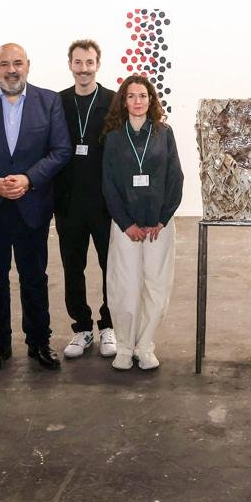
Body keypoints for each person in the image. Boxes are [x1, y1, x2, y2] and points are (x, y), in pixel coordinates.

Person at [0, 43, 72, 376]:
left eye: (17, 63)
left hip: (31, 204)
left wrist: (28, 178)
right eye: (5, 64)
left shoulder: (48, 101)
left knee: (34, 278)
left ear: (28, 65)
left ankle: (39, 342)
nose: (11, 70)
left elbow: (61, 150)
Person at [100, 75, 184, 370]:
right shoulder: (114, 137)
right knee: (125, 285)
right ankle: (124, 346)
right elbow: (109, 184)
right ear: (124, 101)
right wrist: (125, 223)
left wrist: (162, 219)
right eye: (131, 96)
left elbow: (175, 177)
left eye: (143, 96)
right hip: (126, 226)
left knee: (156, 285)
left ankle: (145, 345)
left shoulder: (164, 133)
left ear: (151, 100)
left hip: (158, 226)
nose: (137, 101)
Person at [55, 39, 117, 360]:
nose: (84, 69)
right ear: (70, 65)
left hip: (104, 203)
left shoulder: (113, 101)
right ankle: (81, 327)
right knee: (72, 267)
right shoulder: (57, 102)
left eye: (89, 62)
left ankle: (109, 325)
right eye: (78, 63)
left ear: (98, 64)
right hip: (68, 202)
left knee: (111, 267)